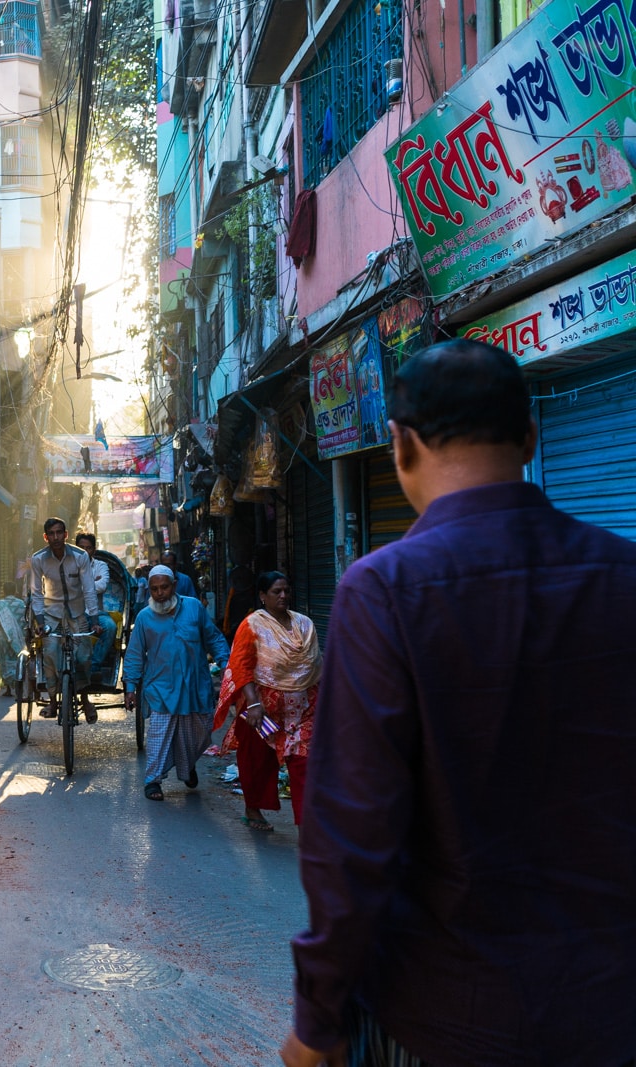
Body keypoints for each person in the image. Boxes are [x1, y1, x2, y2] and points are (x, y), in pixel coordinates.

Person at [281, 340, 636, 1067]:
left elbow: (354, 832)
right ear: (531, 436)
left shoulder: (382, 591)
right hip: (611, 1008)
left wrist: (317, 1016)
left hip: (445, 1016)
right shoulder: (621, 575)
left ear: (401, 444)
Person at [212, 571, 319, 830]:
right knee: (258, 761)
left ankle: (309, 826)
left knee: (306, 763)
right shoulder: (252, 625)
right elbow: (241, 666)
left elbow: (315, 665)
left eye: (286, 591)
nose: (283, 596)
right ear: (262, 596)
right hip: (263, 710)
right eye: (276, 592)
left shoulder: (304, 624)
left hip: (302, 709)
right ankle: (253, 809)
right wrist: (253, 704)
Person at [123, 565, 228, 801]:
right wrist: (130, 687)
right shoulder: (144, 617)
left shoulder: (194, 608)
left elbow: (213, 638)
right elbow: (135, 654)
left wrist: (225, 665)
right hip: (161, 688)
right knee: (159, 736)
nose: (160, 593)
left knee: (200, 734)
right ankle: (153, 781)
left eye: (164, 587)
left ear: (174, 585)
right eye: (154, 589)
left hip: (195, 686)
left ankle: (187, 764)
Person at [26, 518, 104, 721]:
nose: (55, 537)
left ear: (66, 534)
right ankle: (53, 702)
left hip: (78, 614)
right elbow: (36, 593)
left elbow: (88, 589)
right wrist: (40, 622)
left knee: (83, 657)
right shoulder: (38, 559)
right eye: (51, 534)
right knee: (50, 654)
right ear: (45, 537)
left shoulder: (80, 556)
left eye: (59, 532)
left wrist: (94, 619)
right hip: (52, 614)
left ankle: (85, 700)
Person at [73, 532, 122, 686]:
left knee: (110, 626)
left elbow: (102, 586)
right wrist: (92, 583)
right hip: (73, 613)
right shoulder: (66, 566)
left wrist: (79, 586)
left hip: (95, 612)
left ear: (93, 550)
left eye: (88, 548)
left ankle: (94, 666)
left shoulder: (101, 566)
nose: (84, 551)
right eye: (81, 548)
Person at [0, 580, 27, 696]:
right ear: (15, 591)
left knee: (4, 661)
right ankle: (18, 683)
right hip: (18, 636)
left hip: (3, 638)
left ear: (3, 591)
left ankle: (8, 689)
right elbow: (24, 621)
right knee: (17, 659)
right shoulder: (21, 604)